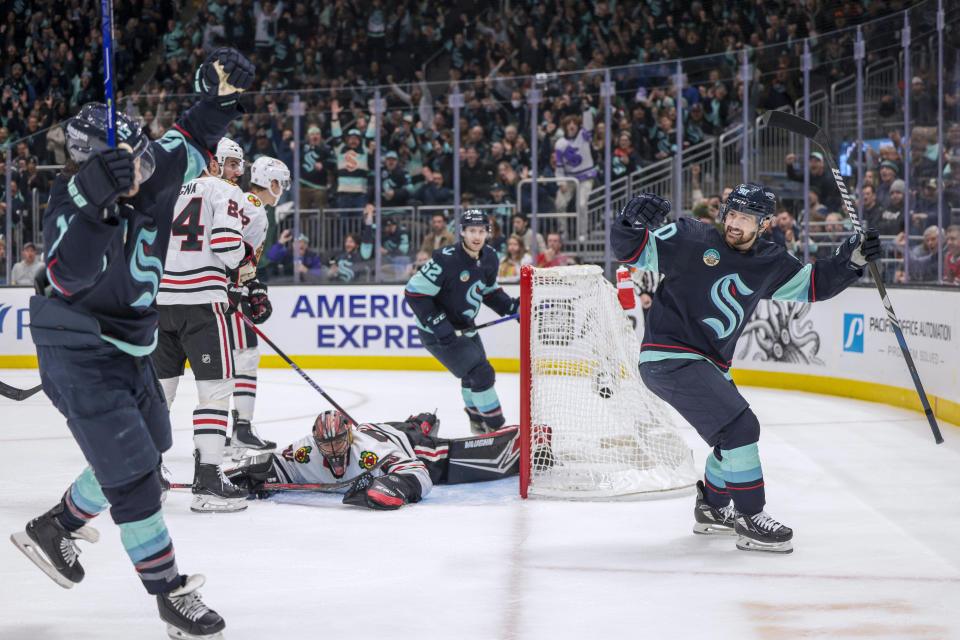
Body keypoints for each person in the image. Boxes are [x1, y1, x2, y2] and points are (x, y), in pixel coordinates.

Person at [11, 47, 254, 639]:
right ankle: (170, 594)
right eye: (127, 162)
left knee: (154, 449)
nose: (145, 166)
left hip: (129, 347)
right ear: (95, 166)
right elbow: (68, 275)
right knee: (137, 480)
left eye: (143, 153)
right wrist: (98, 200)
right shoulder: (70, 203)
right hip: (78, 352)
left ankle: (55, 526)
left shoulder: (155, 165)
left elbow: (192, 133)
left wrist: (222, 95)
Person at [613, 187, 880, 554]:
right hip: (668, 355)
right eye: (731, 214)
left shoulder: (770, 260)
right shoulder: (691, 237)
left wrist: (851, 261)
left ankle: (712, 507)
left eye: (745, 217)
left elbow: (814, 285)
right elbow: (630, 249)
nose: (734, 223)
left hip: (710, 364)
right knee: (740, 427)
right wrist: (630, 222)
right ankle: (751, 517)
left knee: (731, 437)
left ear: (765, 223)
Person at [155, 136, 257, 514]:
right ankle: (210, 479)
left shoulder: (160, 189)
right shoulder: (219, 189)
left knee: (157, 394)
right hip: (202, 305)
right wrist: (244, 270)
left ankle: (148, 475)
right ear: (212, 164)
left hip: (160, 303)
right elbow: (228, 241)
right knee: (214, 391)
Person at [226, 409, 535, 509]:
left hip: (404, 443)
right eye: (326, 444)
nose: (332, 450)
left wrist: (396, 485)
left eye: (337, 442)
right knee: (407, 426)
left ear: (348, 436)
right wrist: (244, 474)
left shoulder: (370, 451)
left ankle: (421, 425)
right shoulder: (308, 449)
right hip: (379, 429)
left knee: (445, 454)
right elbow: (277, 462)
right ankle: (419, 420)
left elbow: (418, 472)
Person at [404, 209, 519, 433]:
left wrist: (510, 307)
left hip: (465, 327)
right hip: (437, 333)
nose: (476, 236)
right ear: (462, 232)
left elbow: (487, 291)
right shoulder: (445, 259)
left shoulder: (490, 257)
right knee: (482, 373)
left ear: (488, 232)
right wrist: (438, 323)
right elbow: (414, 292)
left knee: (472, 377)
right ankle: (497, 429)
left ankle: (478, 422)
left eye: (481, 231)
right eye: (471, 231)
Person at [226, 155, 290, 458]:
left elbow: (241, 257)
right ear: (272, 182)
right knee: (246, 357)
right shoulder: (256, 211)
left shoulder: (241, 201)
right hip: (227, 294)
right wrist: (242, 286)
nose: (283, 190)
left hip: (222, 290)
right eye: (282, 183)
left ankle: (228, 430)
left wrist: (254, 284)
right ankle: (241, 430)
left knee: (225, 363)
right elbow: (229, 253)